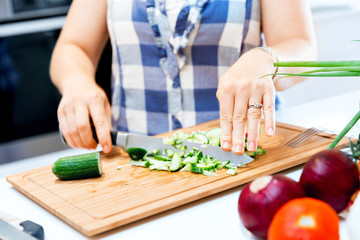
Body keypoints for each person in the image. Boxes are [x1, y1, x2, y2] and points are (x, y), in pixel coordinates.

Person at [50, 0, 316, 155]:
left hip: (245, 153)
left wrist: (267, 59)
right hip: (133, 163)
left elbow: (301, 46)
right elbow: (73, 46)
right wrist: (76, 83)